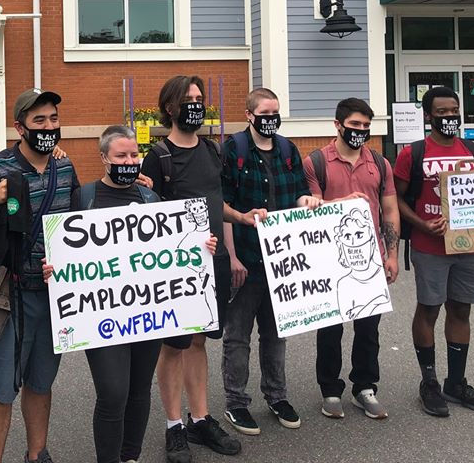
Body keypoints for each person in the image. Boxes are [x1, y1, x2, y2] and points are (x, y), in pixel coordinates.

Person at [46, 125, 219, 463]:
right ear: (103, 159)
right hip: (100, 316)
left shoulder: (151, 198)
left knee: (139, 390)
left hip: (146, 314)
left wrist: (203, 246)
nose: (129, 161)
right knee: (112, 393)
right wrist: (54, 268)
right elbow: (64, 249)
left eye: (133, 155)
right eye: (120, 156)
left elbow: (174, 248)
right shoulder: (84, 198)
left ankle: (131, 456)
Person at [0, 89, 79, 463]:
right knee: (1, 386)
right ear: (20, 127)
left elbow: (78, 228)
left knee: (41, 381)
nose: (47, 127)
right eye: (38, 121)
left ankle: (36, 453)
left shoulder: (66, 168)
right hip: (10, 293)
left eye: (53, 119)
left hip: (53, 294)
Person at [140, 76, 240, 463]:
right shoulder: (158, 156)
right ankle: (173, 426)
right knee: (175, 345)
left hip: (212, 263)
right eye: (189, 99)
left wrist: (240, 221)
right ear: (171, 107)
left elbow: (217, 202)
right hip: (176, 270)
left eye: (200, 99)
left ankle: (200, 418)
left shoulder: (214, 150)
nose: (196, 105)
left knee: (199, 341)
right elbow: (149, 222)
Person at [393, 86, 474, 418]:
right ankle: (428, 383)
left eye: (453, 110)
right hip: (430, 246)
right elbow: (396, 198)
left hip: (469, 244)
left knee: (461, 310)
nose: (448, 117)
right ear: (428, 116)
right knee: (429, 310)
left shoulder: (472, 150)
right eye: (441, 112)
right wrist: (421, 223)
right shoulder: (412, 153)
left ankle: (456, 383)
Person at [221, 87, 322, 436]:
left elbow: (298, 194)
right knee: (237, 336)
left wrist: (307, 200)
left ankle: (277, 396)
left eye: (275, 113)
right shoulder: (233, 149)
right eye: (264, 113)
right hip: (247, 258)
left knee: (276, 333)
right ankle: (236, 403)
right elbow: (225, 205)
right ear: (249, 115)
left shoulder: (287, 149)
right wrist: (232, 256)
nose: (271, 119)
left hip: (282, 262)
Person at [304, 98, 400, 420]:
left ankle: (364, 387)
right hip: (329, 256)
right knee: (330, 328)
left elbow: (389, 210)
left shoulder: (380, 163)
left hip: (370, 256)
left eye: (365, 126)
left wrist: (392, 254)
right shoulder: (315, 162)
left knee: (368, 326)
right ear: (337, 125)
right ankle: (330, 389)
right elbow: (311, 208)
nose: (359, 131)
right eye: (354, 124)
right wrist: (340, 201)